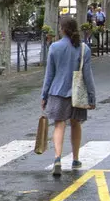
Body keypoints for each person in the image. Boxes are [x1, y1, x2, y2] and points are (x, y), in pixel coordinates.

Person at [40, 15, 96, 177]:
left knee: (59, 125)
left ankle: (57, 158)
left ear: (62, 29)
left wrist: (44, 96)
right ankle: (75, 159)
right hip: (77, 93)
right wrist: (91, 96)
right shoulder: (84, 48)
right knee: (76, 124)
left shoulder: (54, 48)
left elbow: (49, 75)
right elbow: (88, 75)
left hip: (57, 92)